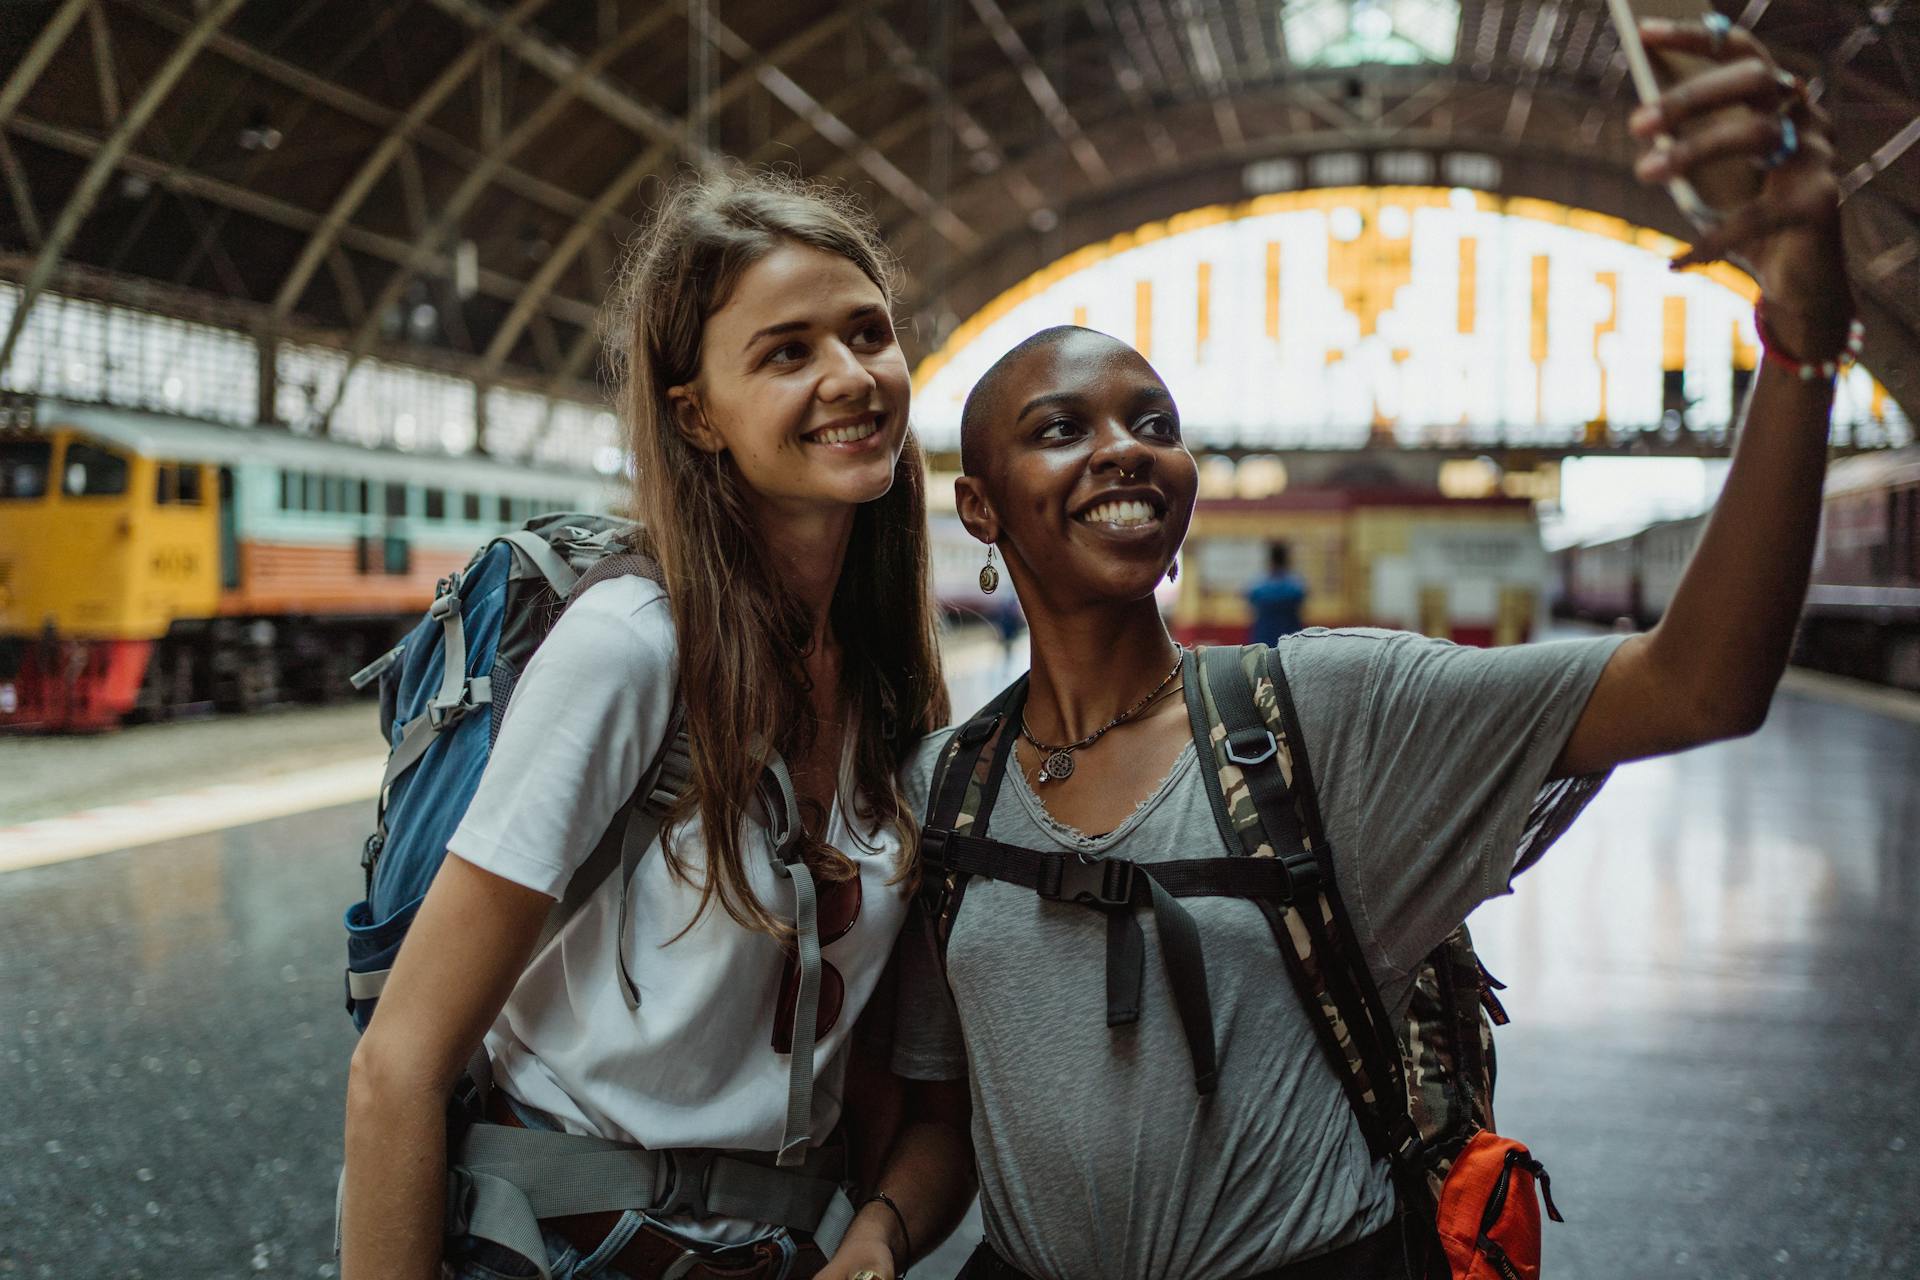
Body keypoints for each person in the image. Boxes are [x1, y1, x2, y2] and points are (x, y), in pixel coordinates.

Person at [826, 18, 1855, 1280]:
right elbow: (943, 1118)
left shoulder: (1326, 714)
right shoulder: (949, 788)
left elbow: (1701, 680)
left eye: (1154, 420)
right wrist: (878, 1235)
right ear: (978, 507)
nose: (1125, 447)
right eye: (1060, 426)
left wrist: (1800, 336)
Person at [340, 171, 955, 1280]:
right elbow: (399, 1066)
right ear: (696, 413)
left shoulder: (884, 682)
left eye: (870, 333)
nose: (852, 377)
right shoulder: (634, 646)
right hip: (567, 1248)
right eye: (787, 352)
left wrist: (878, 1229)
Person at [1246, 541, 1308, 643]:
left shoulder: (1258, 585)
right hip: (1290, 637)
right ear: (1287, 559)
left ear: (1270, 559)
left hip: (1263, 637)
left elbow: (1250, 602)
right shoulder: (1296, 585)